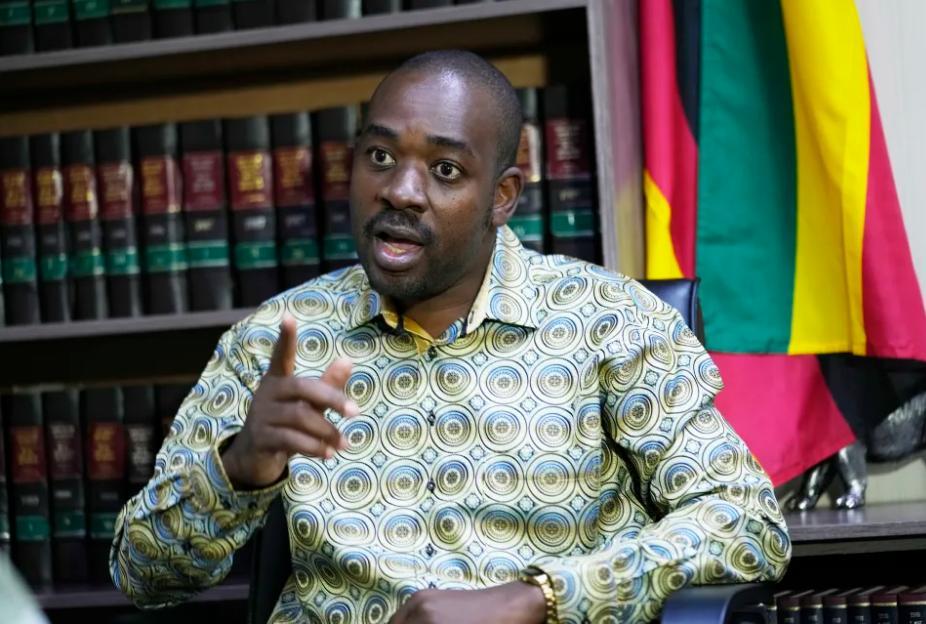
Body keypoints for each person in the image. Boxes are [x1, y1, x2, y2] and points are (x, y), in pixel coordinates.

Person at [110, 50, 791, 623]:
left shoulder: (610, 321)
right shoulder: (276, 341)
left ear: (502, 196)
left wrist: (541, 598)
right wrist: (238, 468)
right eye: (380, 156)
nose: (401, 191)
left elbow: (746, 524)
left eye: (445, 170)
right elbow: (141, 575)